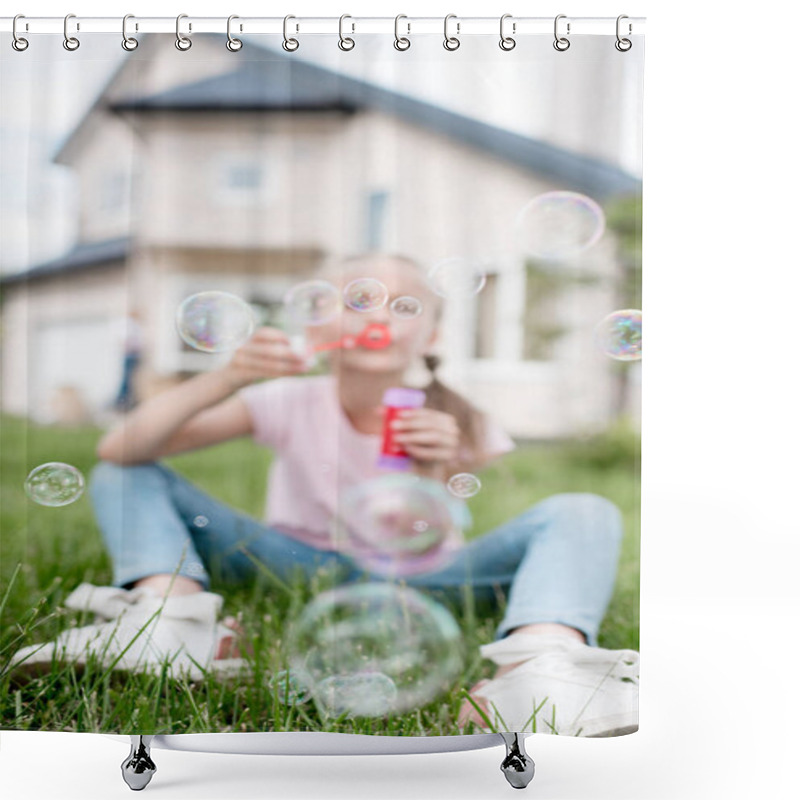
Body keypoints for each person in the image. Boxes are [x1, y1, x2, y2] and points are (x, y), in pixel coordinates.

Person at [10, 253, 638, 737]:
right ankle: (166, 620)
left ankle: (539, 665)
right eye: (359, 301)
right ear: (319, 322)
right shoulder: (286, 400)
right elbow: (119, 448)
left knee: (583, 509)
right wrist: (229, 375)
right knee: (129, 473)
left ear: (434, 336)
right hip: (293, 558)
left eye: (404, 307)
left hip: (425, 576)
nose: (377, 317)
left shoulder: (455, 417)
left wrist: (432, 464)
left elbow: (411, 528)